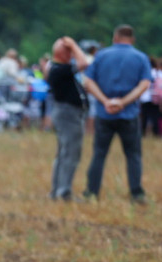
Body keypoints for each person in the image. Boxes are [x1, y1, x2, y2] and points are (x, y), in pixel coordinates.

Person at [81, 25, 152, 203]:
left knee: (99, 154)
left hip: (104, 115)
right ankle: (136, 194)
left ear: (115, 37)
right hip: (129, 114)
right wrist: (123, 102)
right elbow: (144, 85)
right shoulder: (141, 57)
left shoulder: (101, 55)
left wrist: (105, 101)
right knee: (133, 155)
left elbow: (88, 82)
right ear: (132, 39)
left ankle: (91, 192)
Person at [47, 36, 89, 201]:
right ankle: (63, 192)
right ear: (62, 53)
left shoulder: (57, 68)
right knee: (70, 154)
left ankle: (57, 190)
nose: (72, 54)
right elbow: (84, 63)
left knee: (63, 154)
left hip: (66, 113)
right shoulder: (59, 68)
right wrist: (73, 44)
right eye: (70, 52)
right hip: (68, 114)